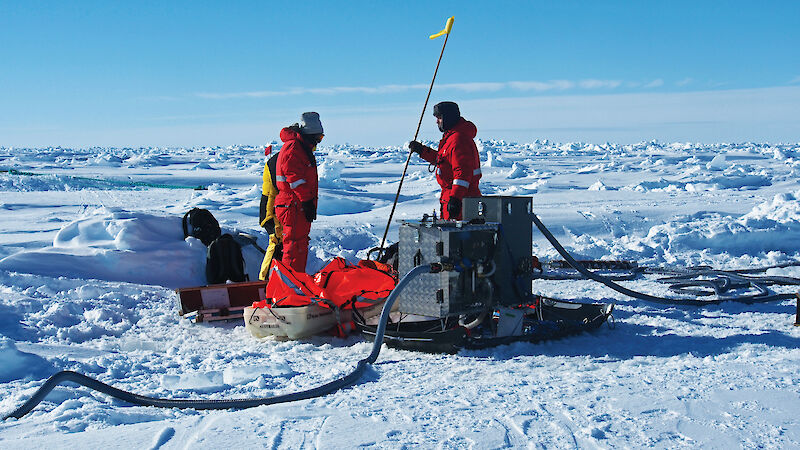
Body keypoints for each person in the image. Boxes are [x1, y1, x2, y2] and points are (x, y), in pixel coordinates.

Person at [408, 101, 481, 220]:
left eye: (439, 117)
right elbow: (443, 160)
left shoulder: (458, 139)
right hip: (452, 198)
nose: (437, 121)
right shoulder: (452, 138)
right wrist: (421, 150)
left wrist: (455, 199)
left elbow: (462, 172)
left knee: (457, 237)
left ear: (449, 118)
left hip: (462, 202)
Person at [273, 112, 323, 273]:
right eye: (318, 138)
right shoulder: (294, 148)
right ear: (309, 135)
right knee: (294, 247)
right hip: (293, 205)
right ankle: (290, 287)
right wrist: (307, 201)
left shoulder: (301, 147)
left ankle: (296, 282)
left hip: (297, 205)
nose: (318, 142)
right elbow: (294, 177)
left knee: (298, 245)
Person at [258, 150, 282, 280]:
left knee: (279, 244)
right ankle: (264, 280)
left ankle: (276, 279)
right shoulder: (280, 160)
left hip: (272, 208)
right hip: (271, 210)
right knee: (276, 242)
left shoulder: (279, 158)